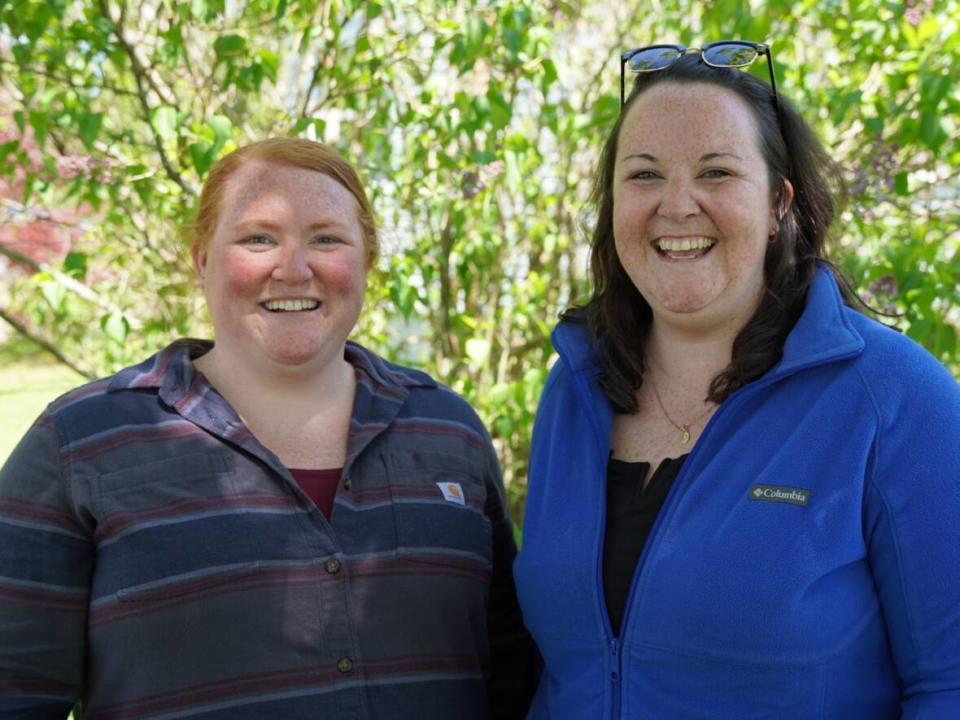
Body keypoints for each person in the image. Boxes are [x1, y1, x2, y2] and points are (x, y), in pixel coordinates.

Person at [0, 137, 536, 719]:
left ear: (367, 259)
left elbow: (513, 679)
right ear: (202, 258)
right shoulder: (81, 444)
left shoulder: (446, 431)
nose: (293, 268)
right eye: (259, 238)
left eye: (326, 239)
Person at [513, 42, 960, 718]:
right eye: (643, 176)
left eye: (716, 172)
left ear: (779, 201)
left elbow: (949, 682)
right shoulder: (574, 392)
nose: (677, 204)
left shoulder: (893, 396)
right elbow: (563, 671)